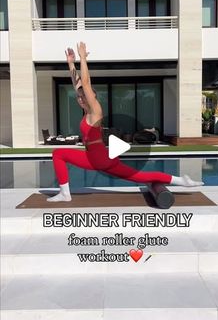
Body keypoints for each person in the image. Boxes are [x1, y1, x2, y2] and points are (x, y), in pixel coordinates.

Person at [47, 42, 203, 202]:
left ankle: (65, 194)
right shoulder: (88, 111)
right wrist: (71, 63)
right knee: (140, 176)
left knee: (58, 154)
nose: (79, 98)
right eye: (78, 97)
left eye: (83, 96)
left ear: (92, 97)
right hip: (104, 157)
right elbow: (79, 84)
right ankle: (182, 181)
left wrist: (83, 59)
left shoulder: (95, 111)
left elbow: (85, 83)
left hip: (97, 158)